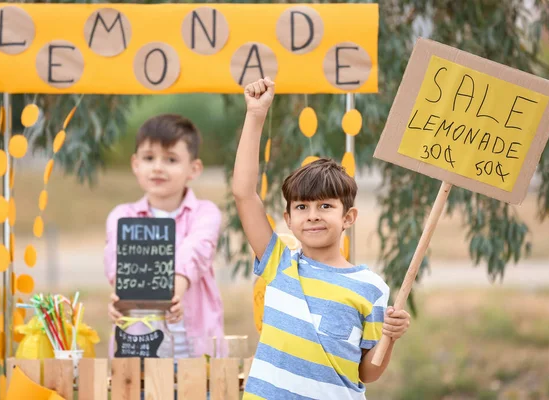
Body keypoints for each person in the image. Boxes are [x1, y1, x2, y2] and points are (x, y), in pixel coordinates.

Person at [232, 77, 411, 400]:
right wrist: (255, 115)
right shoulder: (278, 262)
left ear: (348, 218)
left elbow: (366, 373)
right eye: (302, 206)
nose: (312, 214)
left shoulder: (371, 289)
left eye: (325, 206)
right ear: (288, 219)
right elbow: (244, 194)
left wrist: (390, 338)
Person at [104, 113, 224, 359]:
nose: (158, 167)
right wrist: (120, 299)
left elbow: (194, 253)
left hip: (198, 354)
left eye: (171, 159)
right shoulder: (121, 217)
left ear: (194, 168)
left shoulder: (205, 213)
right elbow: (119, 265)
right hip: (138, 351)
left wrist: (173, 295)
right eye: (149, 158)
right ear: (135, 164)